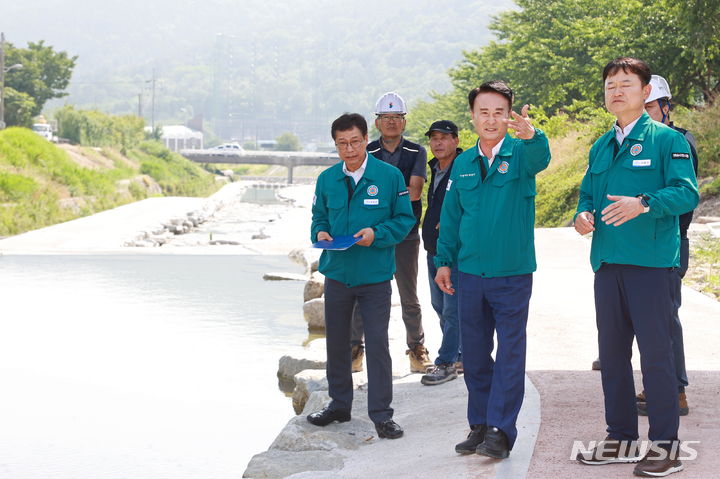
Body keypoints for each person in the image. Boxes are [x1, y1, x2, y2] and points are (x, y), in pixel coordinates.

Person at [574, 58, 698, 477]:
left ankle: (666, 447)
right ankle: (621, 438)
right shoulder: (600, 146)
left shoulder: (666, 140)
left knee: (656, 358)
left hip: (650, 266)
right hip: (608, 265)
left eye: (626, 84)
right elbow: (588, 194)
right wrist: (582, 216)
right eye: (610, 85)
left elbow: (686, 194)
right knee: (611, 356)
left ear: (646, 92)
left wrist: (644, 203)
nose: (616, 91)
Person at [434, 81, 551, 459]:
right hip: (469, 274)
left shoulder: (521, 153)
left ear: (508, 115)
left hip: (511, 274)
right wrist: (443, 262)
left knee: (511, 353)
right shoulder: (464, 163)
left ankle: (501, 429)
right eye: (483, 112)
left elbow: (541, 157)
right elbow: (450, 218)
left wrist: (533, 135)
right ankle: (480, 425)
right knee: (476, 354)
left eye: (499, 111)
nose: (491, 119)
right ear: (472, 117)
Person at [306, 113, 415, 440]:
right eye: (342, 144)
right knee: (337, 344)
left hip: (374, 276)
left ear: (365, 138)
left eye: (355, 142)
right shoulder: (326, 180)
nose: (349, 149)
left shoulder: (390, 176)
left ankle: (382, 415)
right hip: (338, 274)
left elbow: (403, 220)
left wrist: (376, 233)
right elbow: (318, 217)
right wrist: (321, 231)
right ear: (335, 144)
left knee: (378, 344)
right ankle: (339, 405)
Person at [350, 92, 431, 374]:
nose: (392, 123)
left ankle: (417, 349)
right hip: (369, 237)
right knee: (363, 292)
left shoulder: (416, 152)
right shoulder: (365, 151)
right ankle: (355, 350)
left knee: (408, 295)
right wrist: (391, 199)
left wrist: (377, 201)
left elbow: (416, 191)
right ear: (378, 122)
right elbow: (357, 192)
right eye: (386, 118)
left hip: (405, 234)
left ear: (404, 121)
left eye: (397, 118)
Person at [634, 75, 699, 417]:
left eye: (649, 106)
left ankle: (675, 391)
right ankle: (662, 387)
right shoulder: (640, 141)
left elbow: (684, 197)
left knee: (665, 319)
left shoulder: (677, 141)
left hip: (670, 244)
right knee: (651, 319)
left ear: (665, 107)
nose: (644, 113)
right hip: (642, 245)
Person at [419, 120, 463, 386]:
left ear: (456, 141)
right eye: (434, 138)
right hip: (433, 248)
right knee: (439, 305)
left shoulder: (465, 167)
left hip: (454, 250)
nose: (438, 143)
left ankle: (446, 362)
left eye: (444, 138)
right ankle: (461, 354)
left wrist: (450, 224)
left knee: (451, 309)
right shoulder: (434, 168)